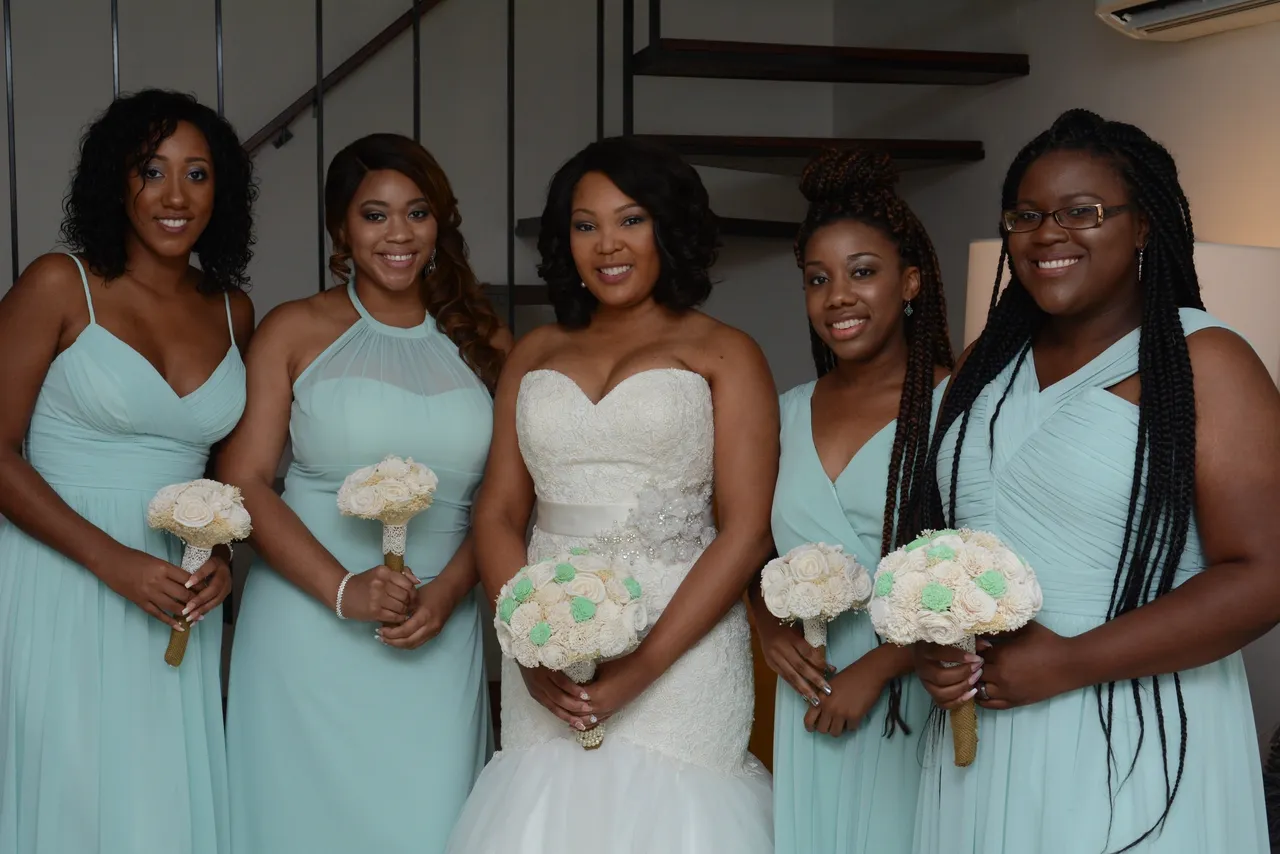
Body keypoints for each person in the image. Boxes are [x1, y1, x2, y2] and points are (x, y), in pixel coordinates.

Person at [911, 108, 1276, 853]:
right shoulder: (986, 363)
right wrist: (935, 645)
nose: (1049, 234)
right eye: (1028, 215)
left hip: (1136, 732)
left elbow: (1266, 573)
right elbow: (949, 545)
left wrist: (1071, 662)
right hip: (982, 734)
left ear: (1142, 227)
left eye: (1084, 212)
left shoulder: (1207, 362)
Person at [446, 136, 778, 853]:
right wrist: (530, 649)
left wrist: (644, 666)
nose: (606, 245)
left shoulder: (726, 352)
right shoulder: (533, 353)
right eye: (584, 224)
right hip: (549, 646)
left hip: (681, 651)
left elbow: (746, 531)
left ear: (669, 226)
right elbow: (500, 511)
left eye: (630, 220)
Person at [219, 133, 510, 854]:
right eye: (374, 215)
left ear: (441, 222)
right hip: (307, 631)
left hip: (435, 633)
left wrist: (446, 594)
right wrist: (343, 589)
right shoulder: (296, 328)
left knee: (430, 825)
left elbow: (504, 503)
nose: (398, 234)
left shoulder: (485, 342)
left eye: (417, 212)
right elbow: (243, 478)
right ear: (341, 230)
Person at [0, 89, 256, 854]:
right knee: (69, 800)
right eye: (152, 170)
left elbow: (225, 480)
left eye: (198, 174)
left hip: (176, 594)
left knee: (155, 807)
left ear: (223, 192)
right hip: (59, 581)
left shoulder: (233, 312)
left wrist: (227, 562)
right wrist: (112, 560)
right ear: (117, 182)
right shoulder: (58, 283)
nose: (175, 196)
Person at [753, 147, 952, 854]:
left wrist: (881, 665)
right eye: (818, 279)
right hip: (811, 695)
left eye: (862, 272)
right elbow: (748, 551)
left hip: (920, 692)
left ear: (911, 282)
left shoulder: (958, 406)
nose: (838, 296)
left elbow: (985, 569)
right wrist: (770, 633)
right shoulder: (780, 412)